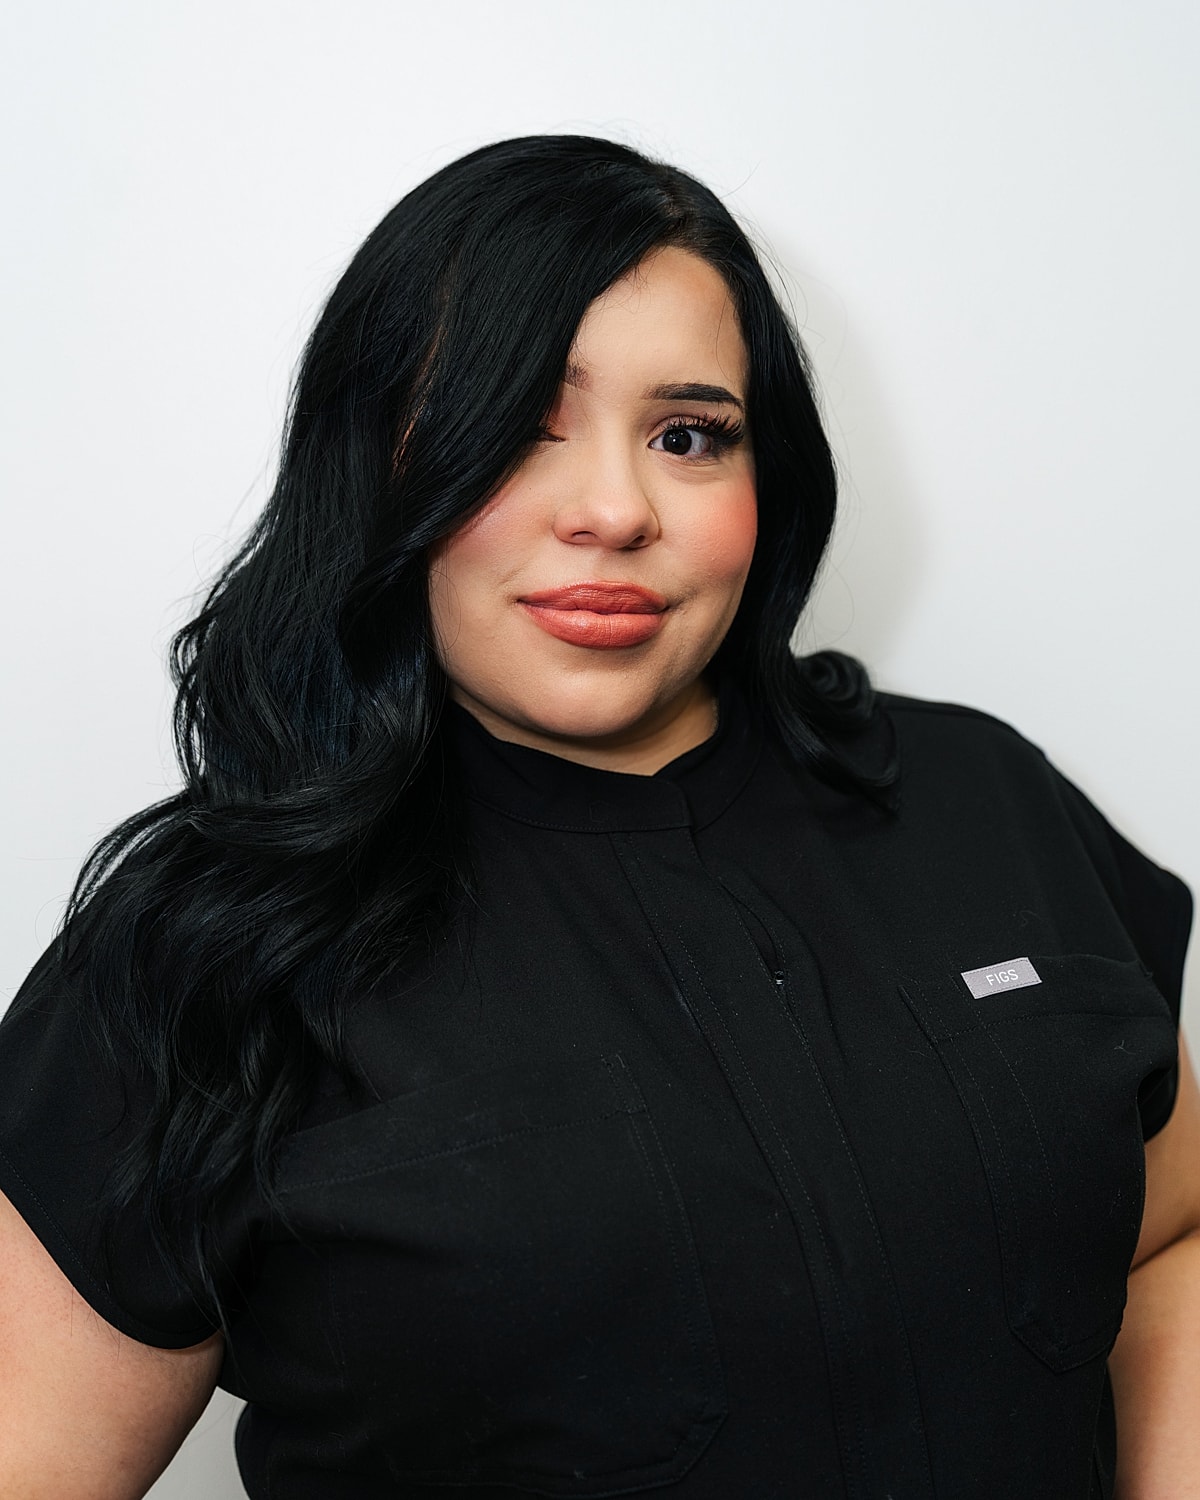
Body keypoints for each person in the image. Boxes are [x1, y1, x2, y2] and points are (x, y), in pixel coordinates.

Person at [0, 135, 1195, 1500]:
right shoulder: (204, 944)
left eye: (689, 435)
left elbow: (1170, 1240)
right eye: (516, 426)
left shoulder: (986, 801)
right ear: (381, 470)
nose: (617, 510)